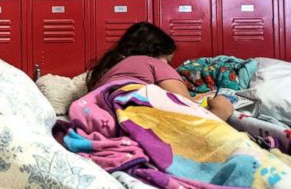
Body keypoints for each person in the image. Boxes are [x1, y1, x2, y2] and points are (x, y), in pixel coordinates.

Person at [85, 21, 234, 121]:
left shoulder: (106, 71)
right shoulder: (153, 63)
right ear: (154, 52)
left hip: (103, 118)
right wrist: (220, 111)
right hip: (138, 120)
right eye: (168, 61)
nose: (169, 66)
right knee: (223, 105)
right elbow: (189, 109)